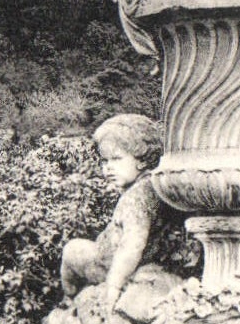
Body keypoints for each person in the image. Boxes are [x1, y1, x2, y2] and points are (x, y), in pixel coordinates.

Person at [59, 114, 163, 308]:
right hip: (137, 262)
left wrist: (113, 285)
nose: (108, 168)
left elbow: (132, 245)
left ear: (142, 160)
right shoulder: (153, 186)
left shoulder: (135, 197)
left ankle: (69, 298)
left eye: (116, 159)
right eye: (105, 161)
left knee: (71, 249)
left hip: (108, 264)